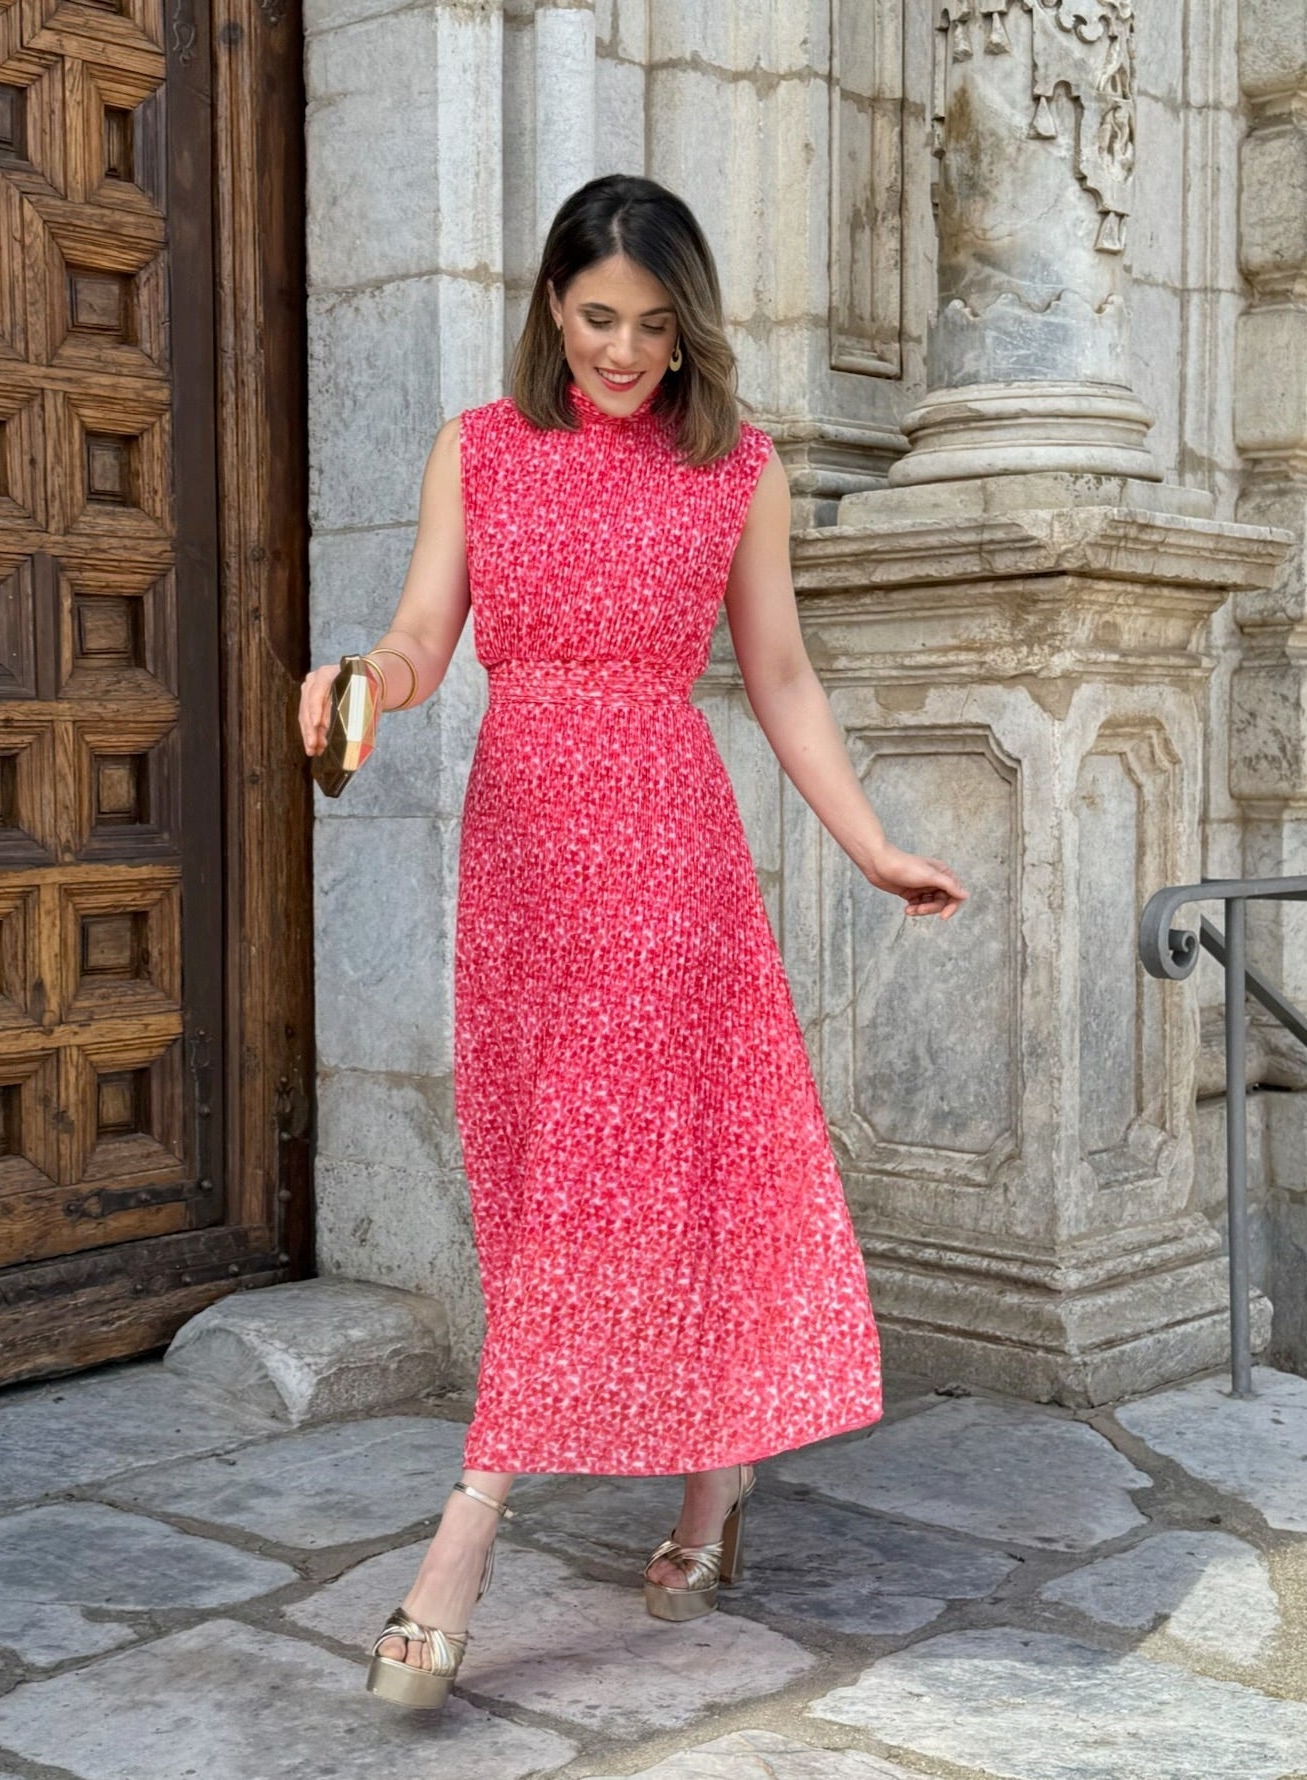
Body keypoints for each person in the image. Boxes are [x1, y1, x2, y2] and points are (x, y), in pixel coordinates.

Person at [298, 172, 967, 1715]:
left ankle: (462, 1539)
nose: (625, 354)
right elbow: (420, 639)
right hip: (524, 864)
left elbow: (782, 677)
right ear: (552, 306)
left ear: (689, 328)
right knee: (554, 1188)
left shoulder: (735, 467)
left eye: (656, 327)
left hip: (667, 862)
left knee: (632, 1179)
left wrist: (872, 849)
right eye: (600, 318)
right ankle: (717, 1483)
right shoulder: (479, 449)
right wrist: (363, 686)